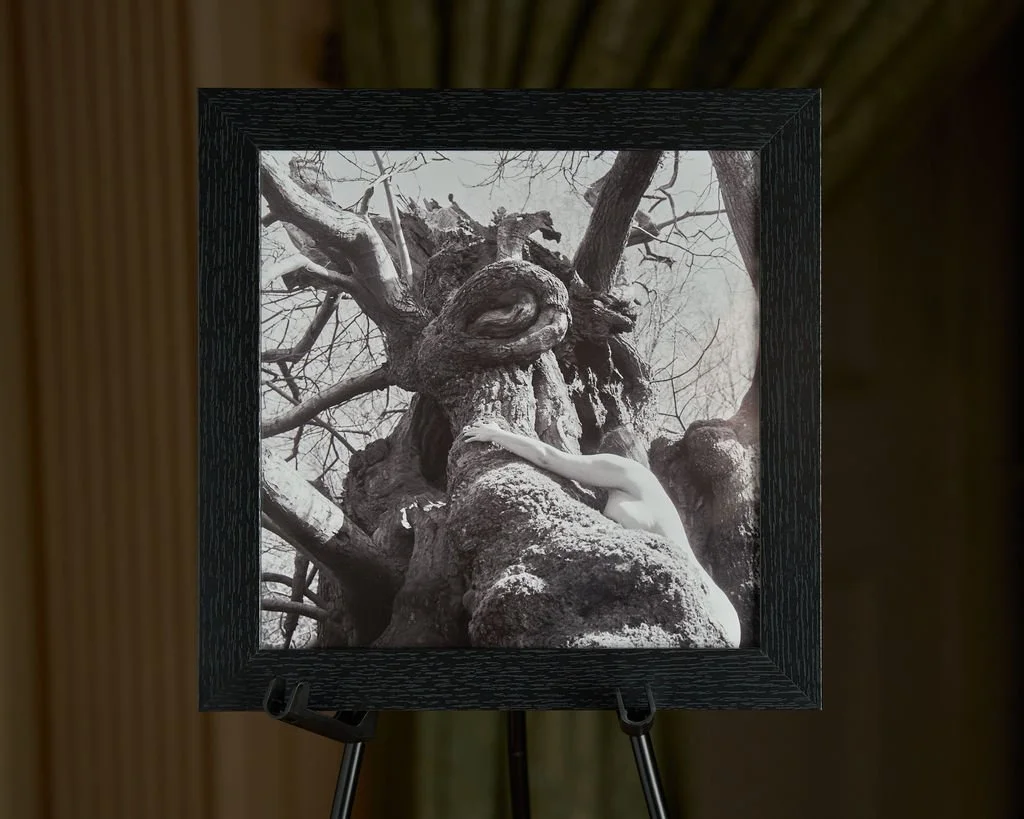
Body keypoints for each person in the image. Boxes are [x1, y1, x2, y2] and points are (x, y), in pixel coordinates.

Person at [462, 420, 741, 647]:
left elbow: (548, 458)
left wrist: (496, 434)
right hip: (714, 612)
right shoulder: (649, 495)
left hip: (704, 606)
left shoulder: (625, 470)